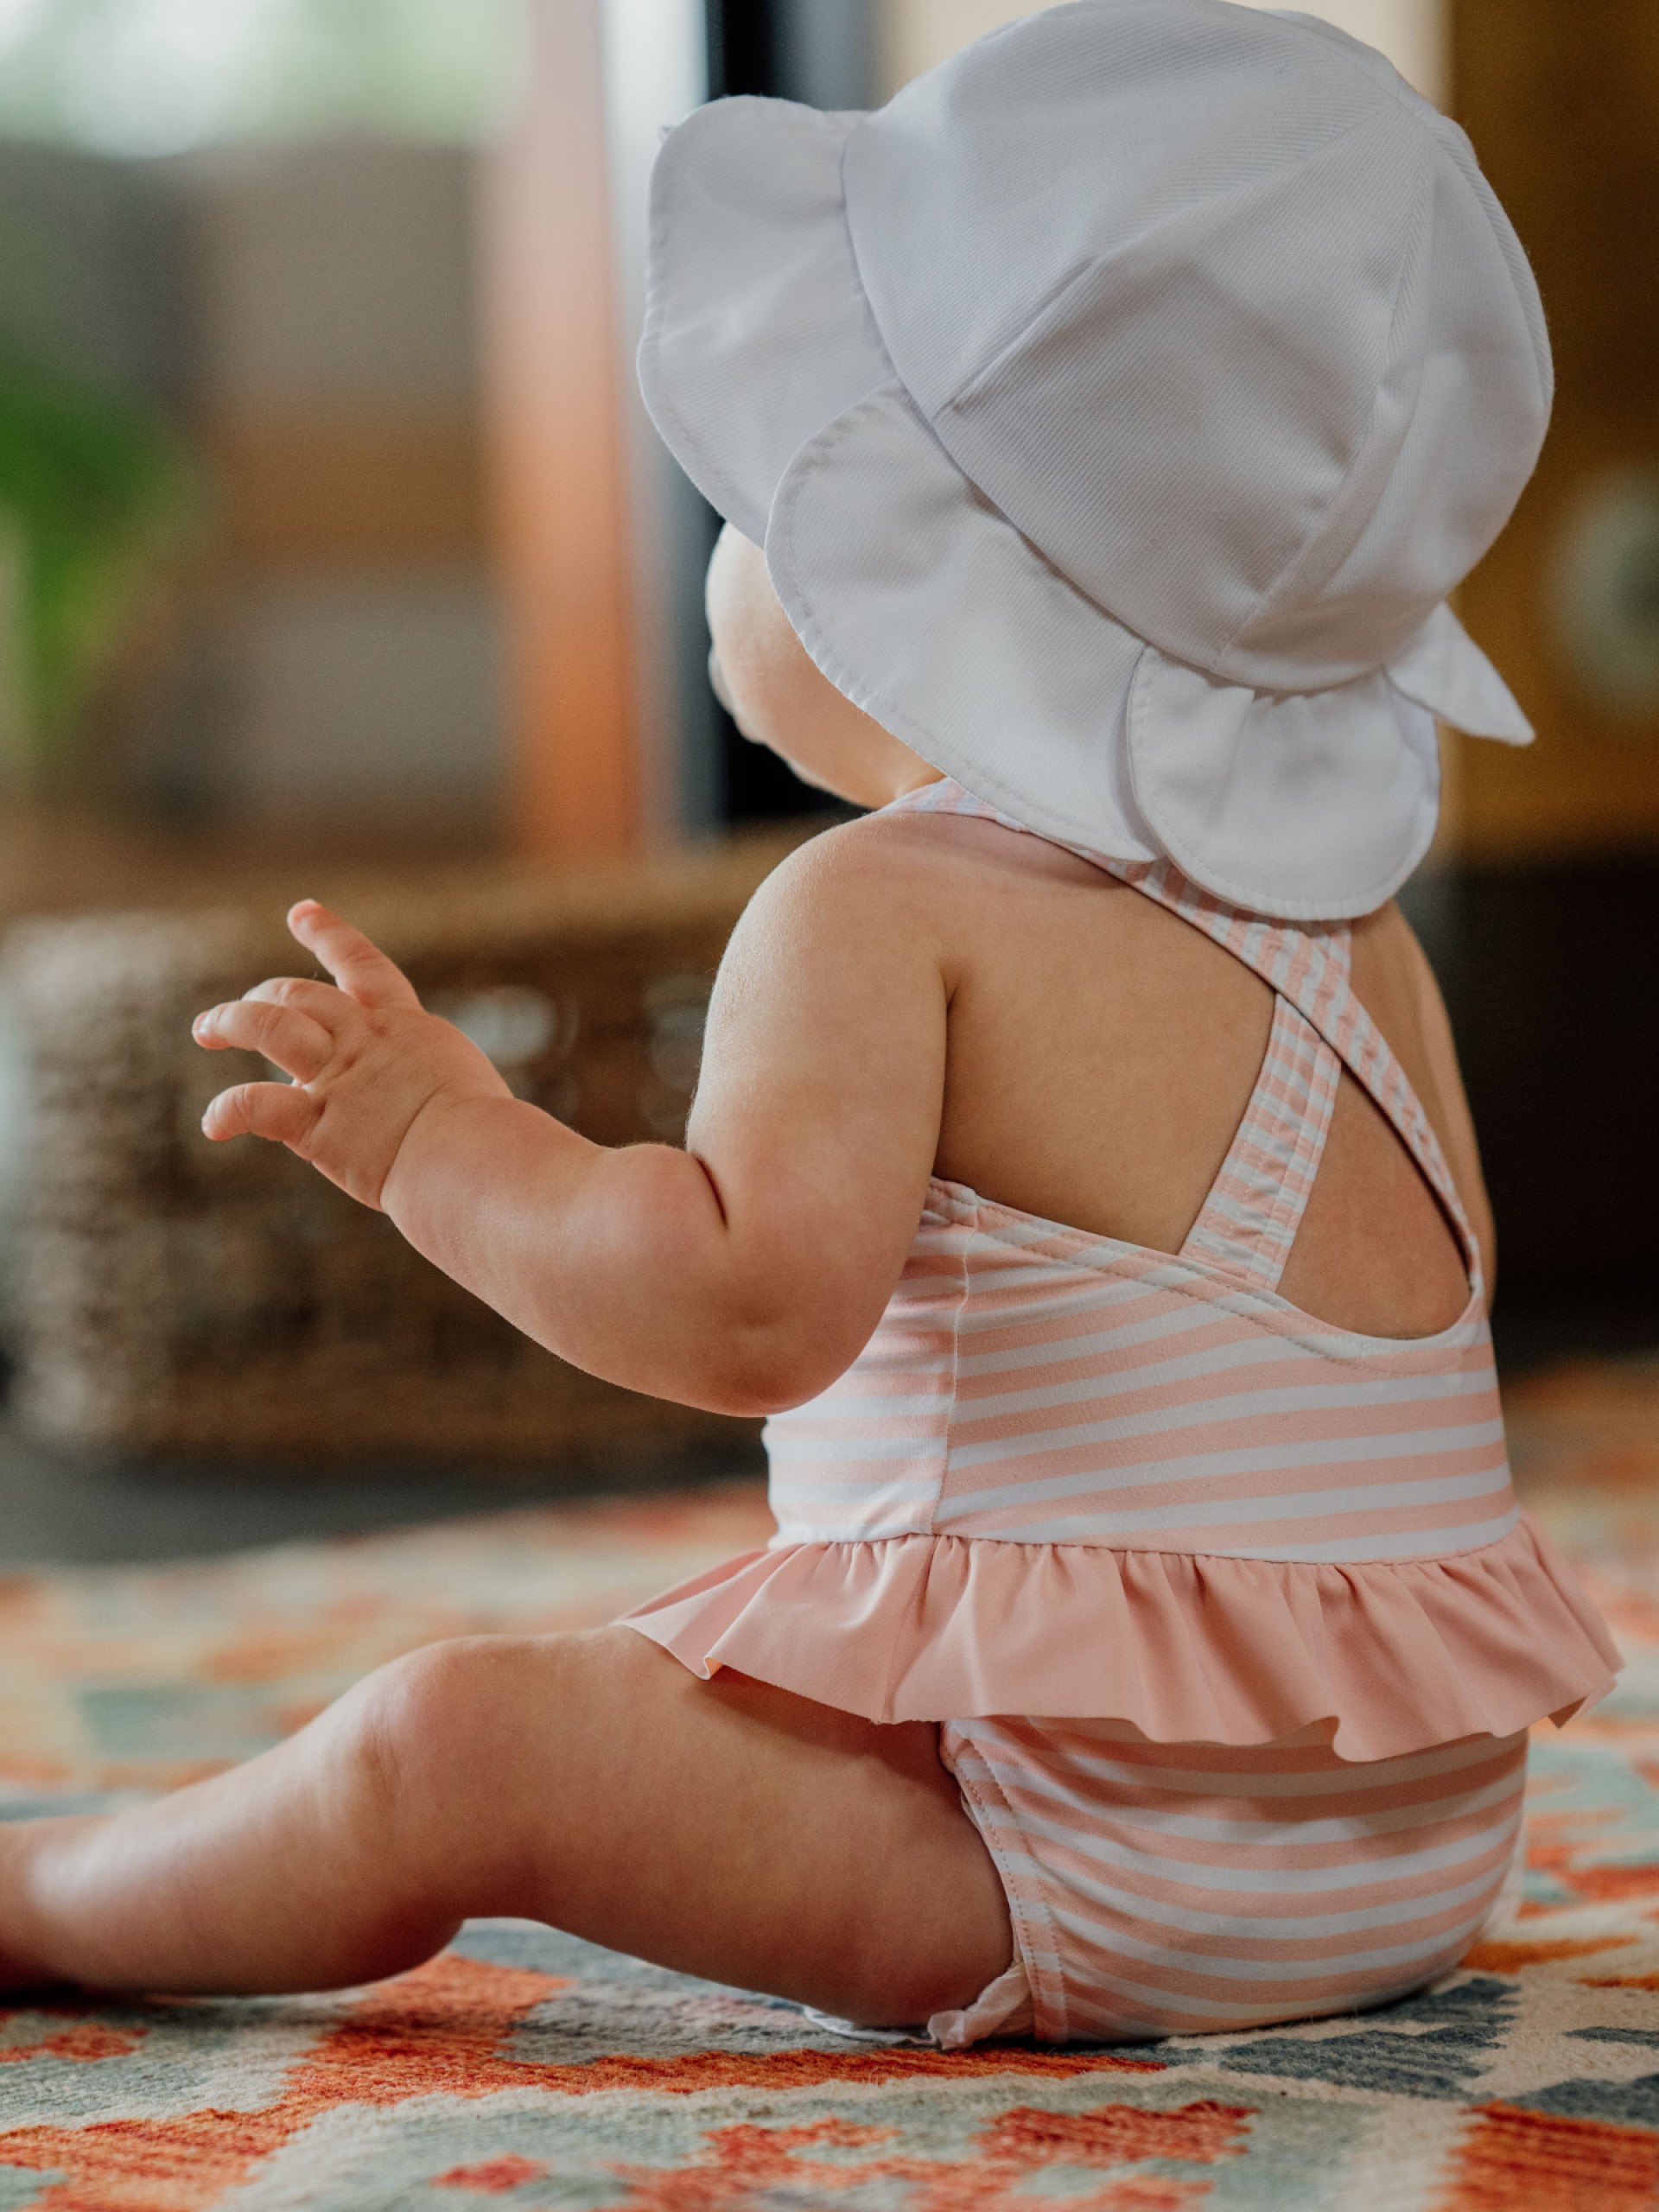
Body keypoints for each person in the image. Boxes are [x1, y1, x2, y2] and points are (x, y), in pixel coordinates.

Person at [0, 0, 1618, 2046]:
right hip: (1419, 1832)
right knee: (756, 1654)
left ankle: (50, 1888)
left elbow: (748, 1314)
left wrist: (440, 1143)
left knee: (460, 1738)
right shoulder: (1359, 931)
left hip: (1093, 1860)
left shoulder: (876, 905)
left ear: (902, 578)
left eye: (760, 500)